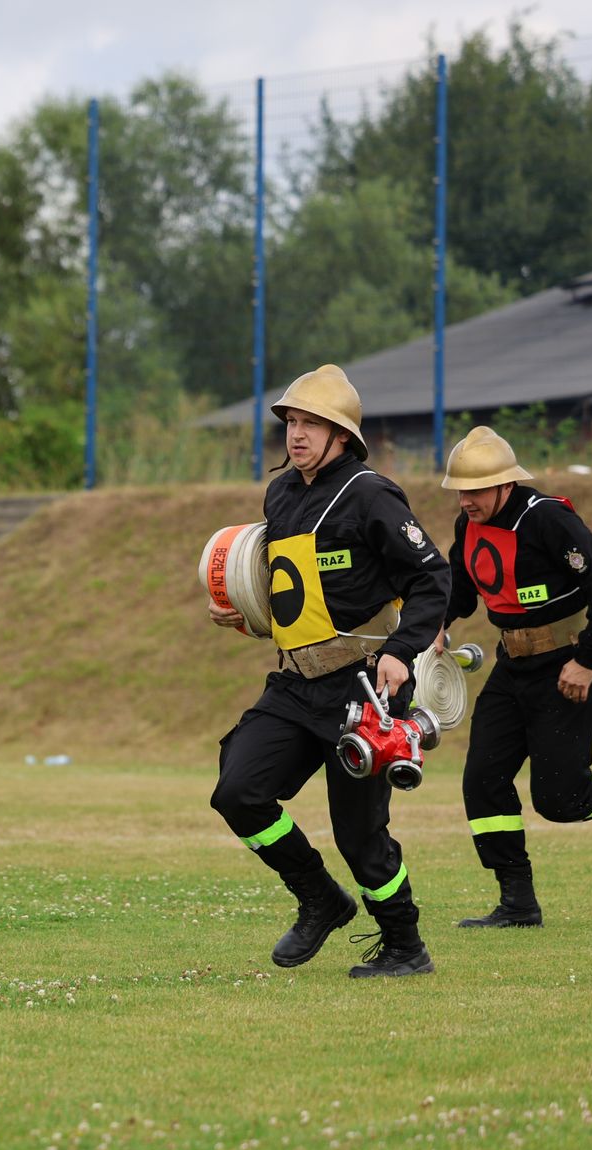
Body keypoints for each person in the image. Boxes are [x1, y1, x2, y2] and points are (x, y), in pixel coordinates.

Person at [207, 365, 451, 978]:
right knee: (238, 792)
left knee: (360, 838)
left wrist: (402, 649)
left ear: (342, 434)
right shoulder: (281, 494)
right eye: (291, 422)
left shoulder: (372, 493)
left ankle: (405, 946)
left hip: (365, 685)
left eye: (312, 423)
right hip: (293, 683)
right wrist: (241, 610)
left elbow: (432, 579)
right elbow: (287, 588)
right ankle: (319, 898)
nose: (297, 434)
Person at [438, 426, 592, 927]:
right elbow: (460, 588)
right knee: (483, 780)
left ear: (504, 485)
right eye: (459, 491)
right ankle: (517, 903)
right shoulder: (466, 525)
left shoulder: (549, 520)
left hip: (566, 668)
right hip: (511, 667)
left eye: (474, 491)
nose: (465, 500)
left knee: (561, 802)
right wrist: (436, 626)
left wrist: (588, 660)